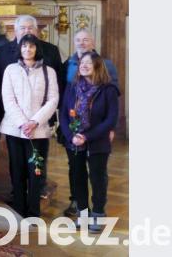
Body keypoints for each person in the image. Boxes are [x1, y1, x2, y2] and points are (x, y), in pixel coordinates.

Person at [59, 29, 119, 216]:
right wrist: (71, 136)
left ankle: (99, 212)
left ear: (98, 66)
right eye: (82, 63)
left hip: (97, 140)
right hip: (74, 141)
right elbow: (63, 114)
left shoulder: (108, 89)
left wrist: (86, 136)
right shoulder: (72, 87)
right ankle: (83, 213)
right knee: (78, 177)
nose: (84, 65)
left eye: (89, 63)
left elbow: (111, 118)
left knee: (97, 177)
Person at [0, 34, 59, 219]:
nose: (27, 50)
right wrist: (22, 122)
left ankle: (33, 212)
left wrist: (34, 122)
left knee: (35, 172)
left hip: (38, 131)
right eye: (24, 46)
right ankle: (19, 209)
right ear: (20, 48)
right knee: (17, 171)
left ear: (37, 49)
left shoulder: (49, 72)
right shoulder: (11, 69)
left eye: (31, 46)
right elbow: (8, 99)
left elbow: (53, 99)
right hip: (15, 128)